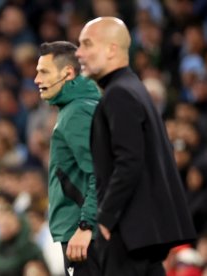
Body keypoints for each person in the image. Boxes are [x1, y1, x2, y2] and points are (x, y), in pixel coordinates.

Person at [76, 17, 196, 275]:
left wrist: (105, 217)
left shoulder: (119, 93)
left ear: (111, 49)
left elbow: (129, 161)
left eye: (87, 44)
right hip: (143, 233)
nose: (79, 52)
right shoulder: (133, 88)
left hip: (129, 233)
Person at [34, 41, 101, 276]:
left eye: (43, 72)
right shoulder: (82, 106)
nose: (36, 79)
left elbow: (100, 173)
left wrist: (86, 225)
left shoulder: (76, 112)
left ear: (68, 73)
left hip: (81, 234)